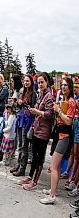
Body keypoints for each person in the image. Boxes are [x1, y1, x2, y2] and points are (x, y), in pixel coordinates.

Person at [40, 77, 75, 205]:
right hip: (60, 135)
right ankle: (52, 189)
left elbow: (68, 121)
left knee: (53, 166)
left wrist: (58, 111)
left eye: (66, 85)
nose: (63, 87)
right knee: (58, 166)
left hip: (64, 136)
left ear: (70, 87)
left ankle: (52, 195)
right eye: (62, 85)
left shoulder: (71, 102)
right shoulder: (64, 100)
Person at [20, 73, 54, 191]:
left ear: (47, 82)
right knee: (34, 155)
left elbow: (50, 114)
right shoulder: (41, 94)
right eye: (38, 82)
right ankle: (30, 176)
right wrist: (32, 110)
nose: (40, 84)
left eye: (42, 82)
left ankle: (34, 182)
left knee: (39, 158)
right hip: (36, 128)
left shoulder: (49, 96)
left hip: (43, 131)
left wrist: (38, 112)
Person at [11, 75, 37, 176]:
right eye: (25, 81)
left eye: (28, 81)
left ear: (31, 82)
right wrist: (18, 103)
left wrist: (24, 104)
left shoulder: (33, 94)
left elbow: (33, 108)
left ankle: (22, 168)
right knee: (20, 145)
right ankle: (18, 165)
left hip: (27, 121)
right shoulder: (23, 92)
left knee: (24, 146)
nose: (26, 83)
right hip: (20, 118)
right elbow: (18, 106)